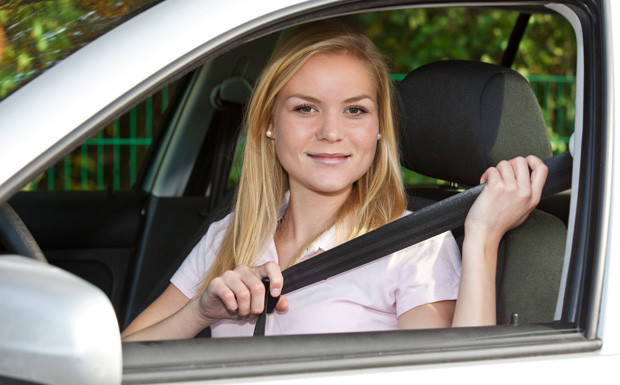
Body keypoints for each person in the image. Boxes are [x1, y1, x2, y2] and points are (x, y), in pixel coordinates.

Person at [121, 22, 547, 341]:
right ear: (269, 123)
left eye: (356, 110)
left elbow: (459, 375)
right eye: (306, 108)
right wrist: (201, 312)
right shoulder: (228, 237)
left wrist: (482, 238)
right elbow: (123, 356)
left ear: (380, 126)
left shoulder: (413, 245)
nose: (331, 132)